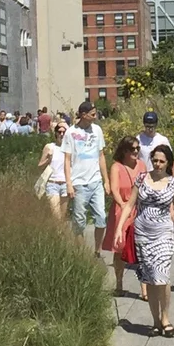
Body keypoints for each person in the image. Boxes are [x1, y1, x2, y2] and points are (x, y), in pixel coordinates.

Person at [113, 142, 174, 336]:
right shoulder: (142, 179)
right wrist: (119, 228)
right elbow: (130, 205)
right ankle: (156, 321)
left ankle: (165, 318)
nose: (157, 164)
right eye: (155, 160)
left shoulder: (173, 184)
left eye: (161, 161)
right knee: (149, 278)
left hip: (163, 234)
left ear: (168, 163)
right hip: (143, 234)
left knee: (162, 277)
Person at [63, 98, 111, 251]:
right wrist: (69, 184)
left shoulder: (97, 130)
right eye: (92, 114)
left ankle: (97, 251)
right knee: (79, 221)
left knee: (101, 218)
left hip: (95, 181)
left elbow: (101, 155)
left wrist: (106, 180)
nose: (95, 117)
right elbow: (67, 159)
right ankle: (82, 253)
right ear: (84, 115)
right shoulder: (71, 133)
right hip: (79, 183)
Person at [107, 136, 142, 296]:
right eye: (132, 149)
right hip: (122, 208)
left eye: (137, 148)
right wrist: (123, 206)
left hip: (140, 209)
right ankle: (119, 283)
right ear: (124, 150)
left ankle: (144, 287)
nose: (135, 151)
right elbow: (114, 190)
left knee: (141, 248)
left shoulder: (142, 165)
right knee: (120, 248)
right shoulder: (117, 167)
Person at [37, 119, 69, 219]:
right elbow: (40, 166)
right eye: (59, 132)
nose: (61, 134)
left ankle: (60, 229)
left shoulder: (70, 149)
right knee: (56, 216)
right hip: (52, 183)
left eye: (64, 132)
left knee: (62, 216)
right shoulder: (50, 147)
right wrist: (48, 160)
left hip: (65, 184)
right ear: (56, 133)